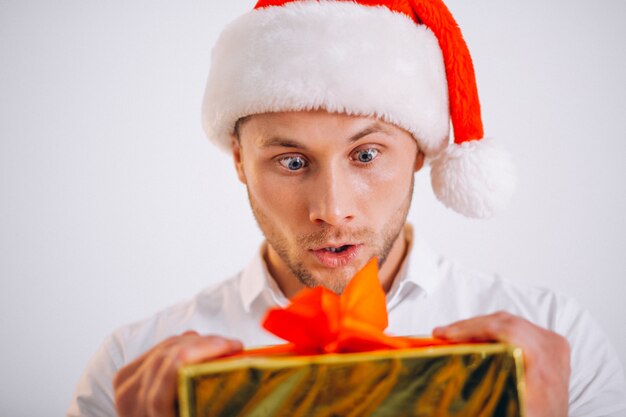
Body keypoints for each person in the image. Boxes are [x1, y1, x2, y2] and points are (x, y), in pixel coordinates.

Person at [68, 1, 626, 416]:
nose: (332, 211)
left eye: (366, 153)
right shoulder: (132, 368)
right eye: (291, 161)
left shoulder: (554, 344)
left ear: (420, 153)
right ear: (239, 160)